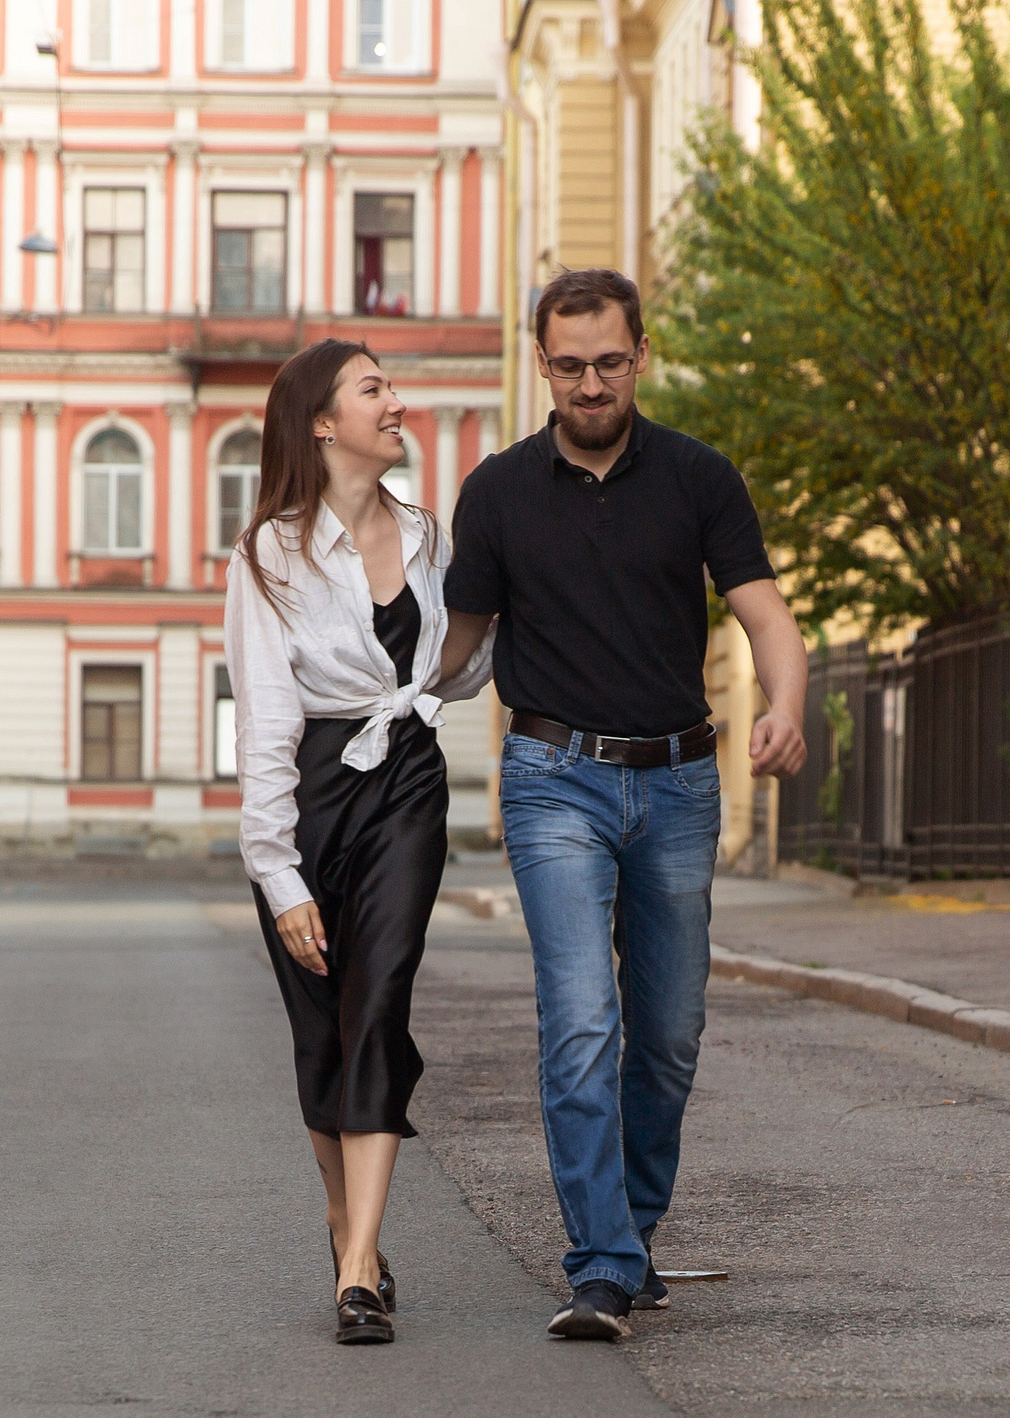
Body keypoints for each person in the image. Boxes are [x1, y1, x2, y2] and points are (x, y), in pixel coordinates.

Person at [437, 268, 808, 1342]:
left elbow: (766, 616)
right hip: (554, 779)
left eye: (608, 361)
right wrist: (368, 683)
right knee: (581, 1019)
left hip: (683, 784)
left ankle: (632, 1233)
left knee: (671, 1034)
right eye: (568, 365)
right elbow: (452, 648)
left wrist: (784, 703)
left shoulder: (697, 478)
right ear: (539, 364)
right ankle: (599, 1264)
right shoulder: (497, 492)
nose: (590, 383)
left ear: (640, 355)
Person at [227, 339, 494, 1347]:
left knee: (377, 1002)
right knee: (320, 1028)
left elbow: (453, 670)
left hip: (406, 783)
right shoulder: (266, 556)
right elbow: (261, 726)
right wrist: (277, 871)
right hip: (308, 795)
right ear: (321, 423)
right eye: (372, 389)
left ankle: (355, 1270)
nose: (397, 403)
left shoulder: (428, 537)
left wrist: (477, 643)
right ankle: (350, 1227)